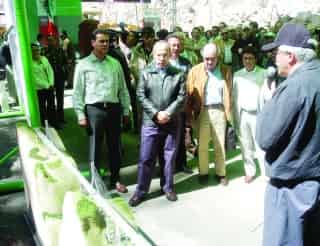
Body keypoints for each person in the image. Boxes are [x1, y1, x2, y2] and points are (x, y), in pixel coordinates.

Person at [256, 23, 320, 246]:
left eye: (277, 52)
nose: (274, 58)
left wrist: (271, 100)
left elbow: (265, 137)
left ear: (291, 56)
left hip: (290, 190)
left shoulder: (293, 87)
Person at [128, 41, 186, 207]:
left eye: (165, 54)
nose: (161, 58)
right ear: (153, 55)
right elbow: (140, 95)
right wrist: (156, 113)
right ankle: (141, 191)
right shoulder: (146, 73)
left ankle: (168, 187)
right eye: (158, 55)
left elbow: (181, 97)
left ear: (170, 55)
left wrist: (168, 112)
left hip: (171, 122)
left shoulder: (178, 74)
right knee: (146, 157)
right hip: (151, 123)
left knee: (168, 157)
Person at [73, 29, 130, 193]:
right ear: (93, 43)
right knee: (95, 148)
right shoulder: (83, 65)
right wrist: (80, 114)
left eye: (107, 41)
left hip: (113, 109)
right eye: (101, 41)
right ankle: (95, 182)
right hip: (94, 110)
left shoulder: (115, 63)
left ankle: (115, 180)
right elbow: (78, 92)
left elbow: (123, 89)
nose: (105, 44)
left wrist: (126, 111)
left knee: (115, 147)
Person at [186, 43, 232, 186]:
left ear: (218, 57)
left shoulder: (225, 70)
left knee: (219, 144)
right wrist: (190, 117)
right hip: (202, 111)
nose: (209, 62)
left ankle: (221, 173)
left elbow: (230, 92)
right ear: (202, 57)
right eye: (206, 59)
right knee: (203, 144)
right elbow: (188, 94)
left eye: (212, 58)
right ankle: (203, 172)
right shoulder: (195, 71)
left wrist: (229, 113)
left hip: (219, 110)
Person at [233, 46, 267, 183]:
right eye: (245, 58)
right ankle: (250, 171)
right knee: (245, 144)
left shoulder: (263, 73)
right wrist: (235, 117)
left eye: (250, 58)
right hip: (243, 115)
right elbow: (235, 96)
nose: (248, 61)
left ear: (255, 59)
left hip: (258, 115)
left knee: (261, 145)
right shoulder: (237, 75)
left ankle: (266, 173)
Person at [31, 43, 57, 128]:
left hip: (49, 87)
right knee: (42, 109)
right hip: (39, 89)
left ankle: (53, 123)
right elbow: (34, 79)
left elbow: (50, 71)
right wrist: (47, 85)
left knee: (52, 106)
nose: (36, 52)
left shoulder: (44, 58)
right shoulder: (29, 63)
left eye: (37, 50)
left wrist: (51, 83)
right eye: (34, 50)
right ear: (30, 52)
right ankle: (45, 125)